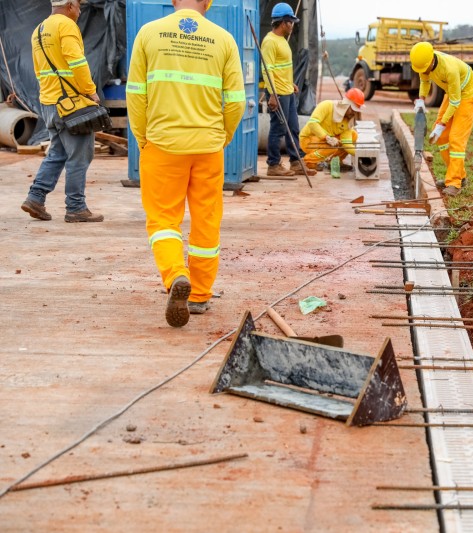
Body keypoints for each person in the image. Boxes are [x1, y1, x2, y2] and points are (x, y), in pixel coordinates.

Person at [126, 0, 245, 327]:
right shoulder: (223, 39)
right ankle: (201, 294)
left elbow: (136, 95)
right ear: (207, 2)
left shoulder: (148, 34)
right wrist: (223, 136)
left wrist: (142, 139)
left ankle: (177, 274)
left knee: (163, 218)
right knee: (206, 218)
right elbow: (236, 102)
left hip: (162, 144)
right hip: (208, 147)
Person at [22, 0, 103, 223]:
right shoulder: (66, 26)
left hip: (49, 103)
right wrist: (90, 91)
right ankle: (76, 207)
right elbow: (77, 62)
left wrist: (50, 95)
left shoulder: (39, 30)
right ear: (69, 6)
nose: (79, 11)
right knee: (80, 156)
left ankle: (35, 197)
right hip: (72, 104)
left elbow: (38, 70)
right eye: (78, 6)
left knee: (58, 153)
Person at [410, 42, 473, 197]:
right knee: (441, 137)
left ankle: (455, 183)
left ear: (431, 61)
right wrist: (421, 100)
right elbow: (424, 81)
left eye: (424, 69)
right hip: (453, 92)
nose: (423, 71)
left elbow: (455, 101)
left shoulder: (449, 69)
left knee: (456, 139)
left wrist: (442, 123)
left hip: (468, 94)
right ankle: (457, 175)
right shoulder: (424, 64)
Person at [261, 3, 314, 177]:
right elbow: (267, 70)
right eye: (291, 21)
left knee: (293, 127)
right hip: (278, 94)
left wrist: (290, 83)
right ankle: (273, 164)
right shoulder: (269, 42)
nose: (293, 25)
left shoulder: (282, 40)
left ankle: (296, 161)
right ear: (284, 22)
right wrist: (273, 95)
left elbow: (281, 67)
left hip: (287, 92)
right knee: (278, 128)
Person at [299, 88, 364, 173]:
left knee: (353, 135)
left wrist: (361, 154)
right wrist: (327, 138)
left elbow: (346, 144)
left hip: (325, 140)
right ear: (346, 105)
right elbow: (312, 123)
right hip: (308, 139)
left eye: (356, 111)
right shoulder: (327, 106)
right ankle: (308, 161)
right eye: (353, 109)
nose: (354, 113)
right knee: (332, 146)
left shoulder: (347, 121)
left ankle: (335, 161)